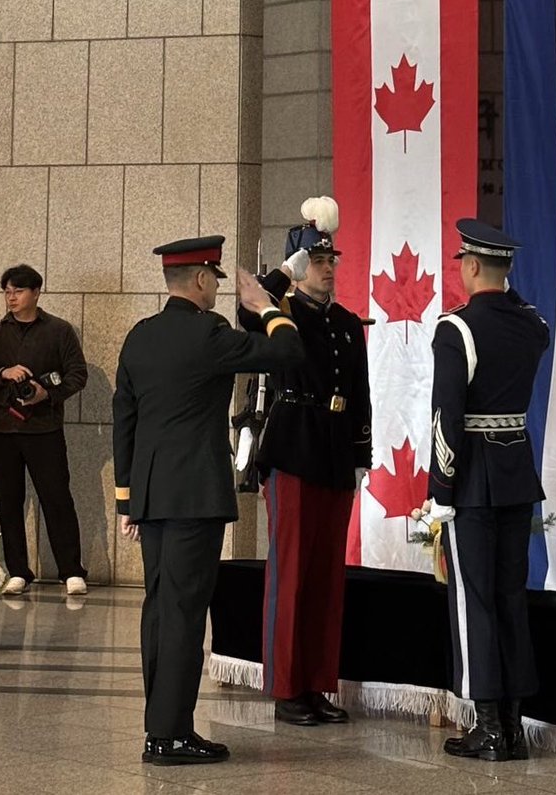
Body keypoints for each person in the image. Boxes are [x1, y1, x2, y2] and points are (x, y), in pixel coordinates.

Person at [113, 236, 304, 766]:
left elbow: (124, 419)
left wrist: (126, 499)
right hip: (194, 497)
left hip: (152, 496)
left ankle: (162, 728)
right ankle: (170, 735)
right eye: (214, 280)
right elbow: (287, 351)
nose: (216, 289)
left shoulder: (140, 336)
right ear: (200, 279)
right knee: (183, 615)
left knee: (160, 611)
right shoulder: (208, 334)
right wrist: (266, 306)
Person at [239, 196, 371, 726]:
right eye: (316, 261)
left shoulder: (346, 322)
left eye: (330, 259)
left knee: (326, 577)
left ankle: (317, 683)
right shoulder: (281, 315)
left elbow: (360, 394)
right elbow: (245, 315)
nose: (327, 268)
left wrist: (360, 453)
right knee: (291, 573)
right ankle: (287, 688)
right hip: (293, 448)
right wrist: (281, 275)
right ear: (299, 266)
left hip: (335, 452)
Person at [425, 219, 551, 762]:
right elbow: (520, 310)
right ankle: (514, 727)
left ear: (471, 266)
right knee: (509, 598)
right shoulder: (532, 326)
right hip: (516, 473)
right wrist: (504, 284)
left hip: (472, 480)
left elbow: (446, 417)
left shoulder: (456, 329)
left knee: (473, 601)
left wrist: (440, 490)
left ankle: (490, 727)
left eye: (464, 263)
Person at [0, 264, 89, 596]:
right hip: (0, 428)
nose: (11, 297)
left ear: (36, 292)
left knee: (57, 499)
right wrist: (3, 373)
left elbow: (78, 374)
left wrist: (46, 393)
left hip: (43, 429)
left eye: (18, 291)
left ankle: (71, 570)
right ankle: (18, 570)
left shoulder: (59, 331)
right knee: (8, 502)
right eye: (7, 291)